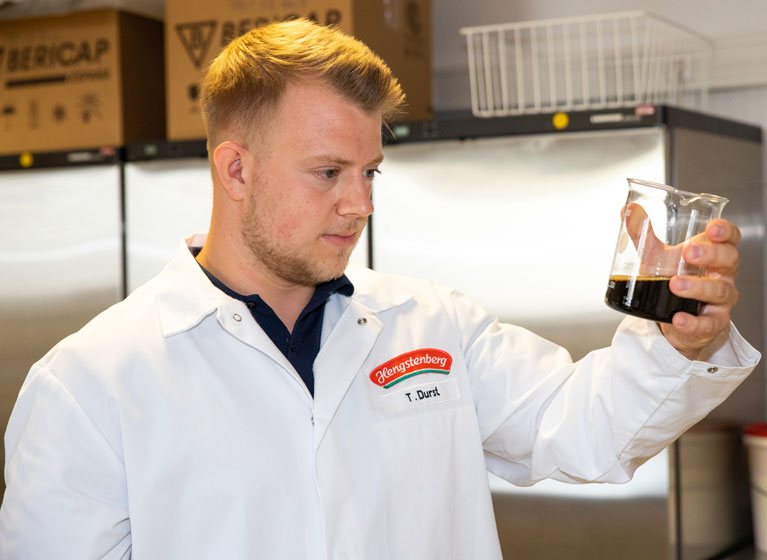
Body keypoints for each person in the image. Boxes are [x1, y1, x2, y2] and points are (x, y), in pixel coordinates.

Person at [0, 18, 760, 560]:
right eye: (328, 172)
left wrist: (676, 341)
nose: (360, 203)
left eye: (369, 173)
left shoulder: (429, 323)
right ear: (235, 170)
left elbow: (585, 432)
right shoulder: (90, 382)